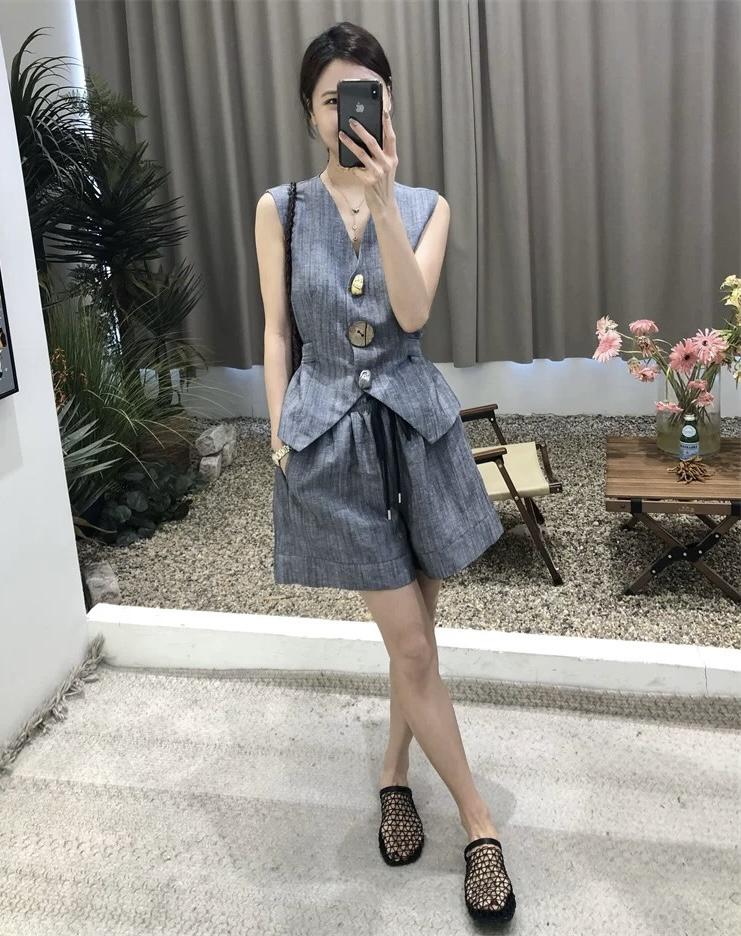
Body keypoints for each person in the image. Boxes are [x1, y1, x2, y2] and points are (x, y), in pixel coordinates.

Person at [254, 21, 515, 923]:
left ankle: (394, 774)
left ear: (388, 103)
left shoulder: (428, 205)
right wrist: (279, 435)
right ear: (310, 112)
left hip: (416, 437)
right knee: (410, 645)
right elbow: (276, 330)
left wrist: (386, 197)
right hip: (331, 443)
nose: (349, 113)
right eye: (333, 98)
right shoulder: (282, 209)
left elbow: (410, 312)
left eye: (365, 95)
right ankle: (479, 825)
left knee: (417, 644)